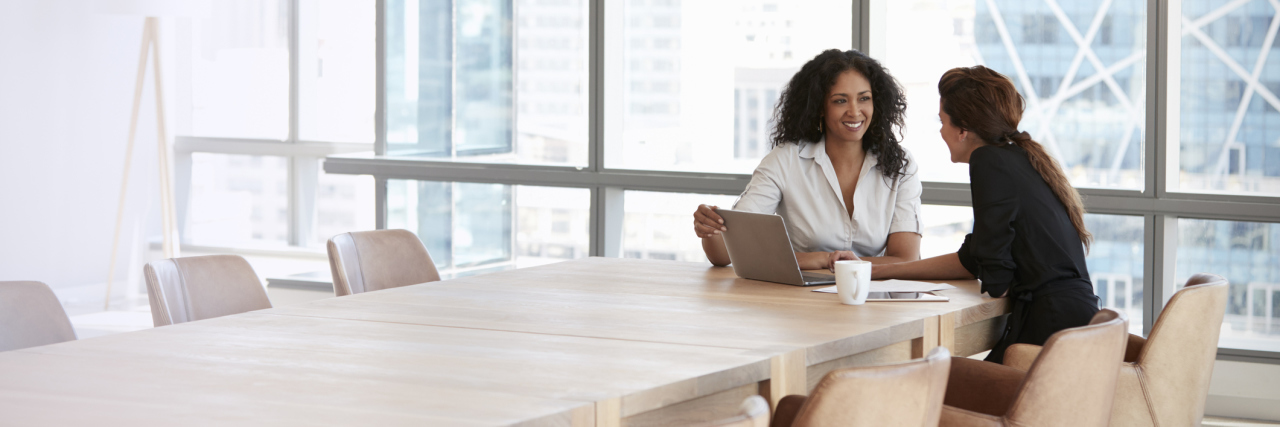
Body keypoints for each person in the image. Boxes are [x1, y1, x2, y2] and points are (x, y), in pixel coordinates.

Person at [836, 65, 1099, 364]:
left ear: (963, 131)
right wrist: (875, 269)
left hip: (1051, 329)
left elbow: (997, 280)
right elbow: (973, 259)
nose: (941, 131)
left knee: (934, 375)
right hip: (1073, 323)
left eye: (942, 121)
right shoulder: (1018, 157)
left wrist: (990, 263)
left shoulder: (988, 161)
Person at [693, 49, 923, 270]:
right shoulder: (785, 160)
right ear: (820, 106)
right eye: (840, 101)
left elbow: (906, 259)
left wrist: (831, 263)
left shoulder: (900, 165)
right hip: (799, 294)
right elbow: (725, 253)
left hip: (872, 293)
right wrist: (709, 227)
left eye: (864, 98)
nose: (854, 111)